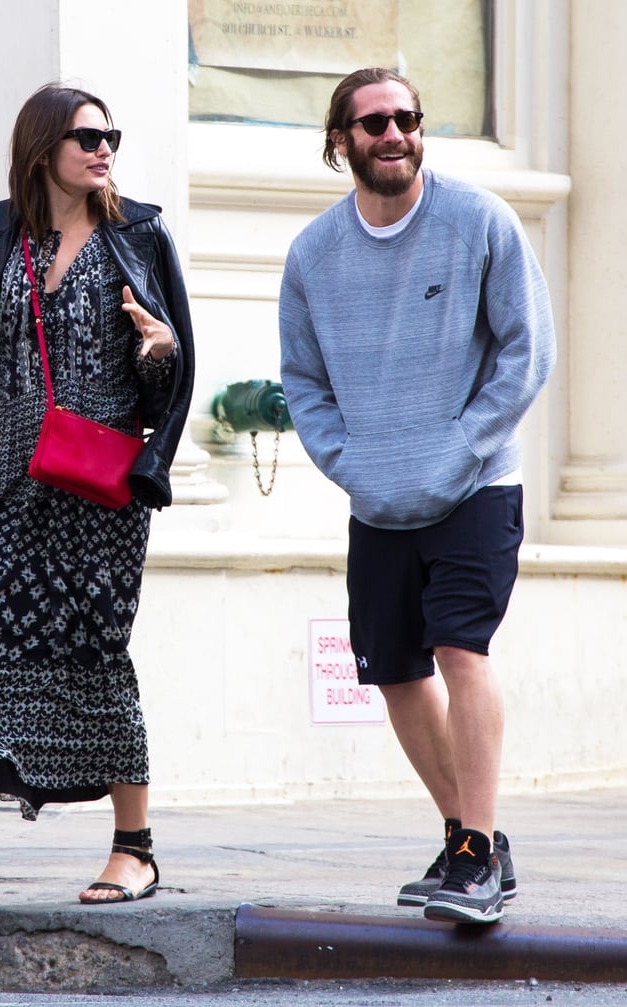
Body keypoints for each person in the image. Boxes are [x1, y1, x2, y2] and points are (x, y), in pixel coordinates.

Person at [0, 82, 194, 916]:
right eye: (86, 137)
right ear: (42, 147)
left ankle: (135, 848)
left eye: (110, 136)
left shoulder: (139, 235)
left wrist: (160, 350)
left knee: (94, 660)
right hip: (8, 485)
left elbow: (163, 385)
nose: (103, 148)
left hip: (101, 493)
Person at [278, 68, 556, 924]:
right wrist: (352, 465)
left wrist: (458, 448)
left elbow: (525, 352)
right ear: (341, 143)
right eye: (372, 123)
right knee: (395, 671)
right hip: (377, 499)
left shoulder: (479, 221)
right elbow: (304, 382)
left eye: (405, 118)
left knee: (459, 649)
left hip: (475, 485)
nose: (392, 133)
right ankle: (471, 840)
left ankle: (473, 849)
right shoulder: (313, 255)